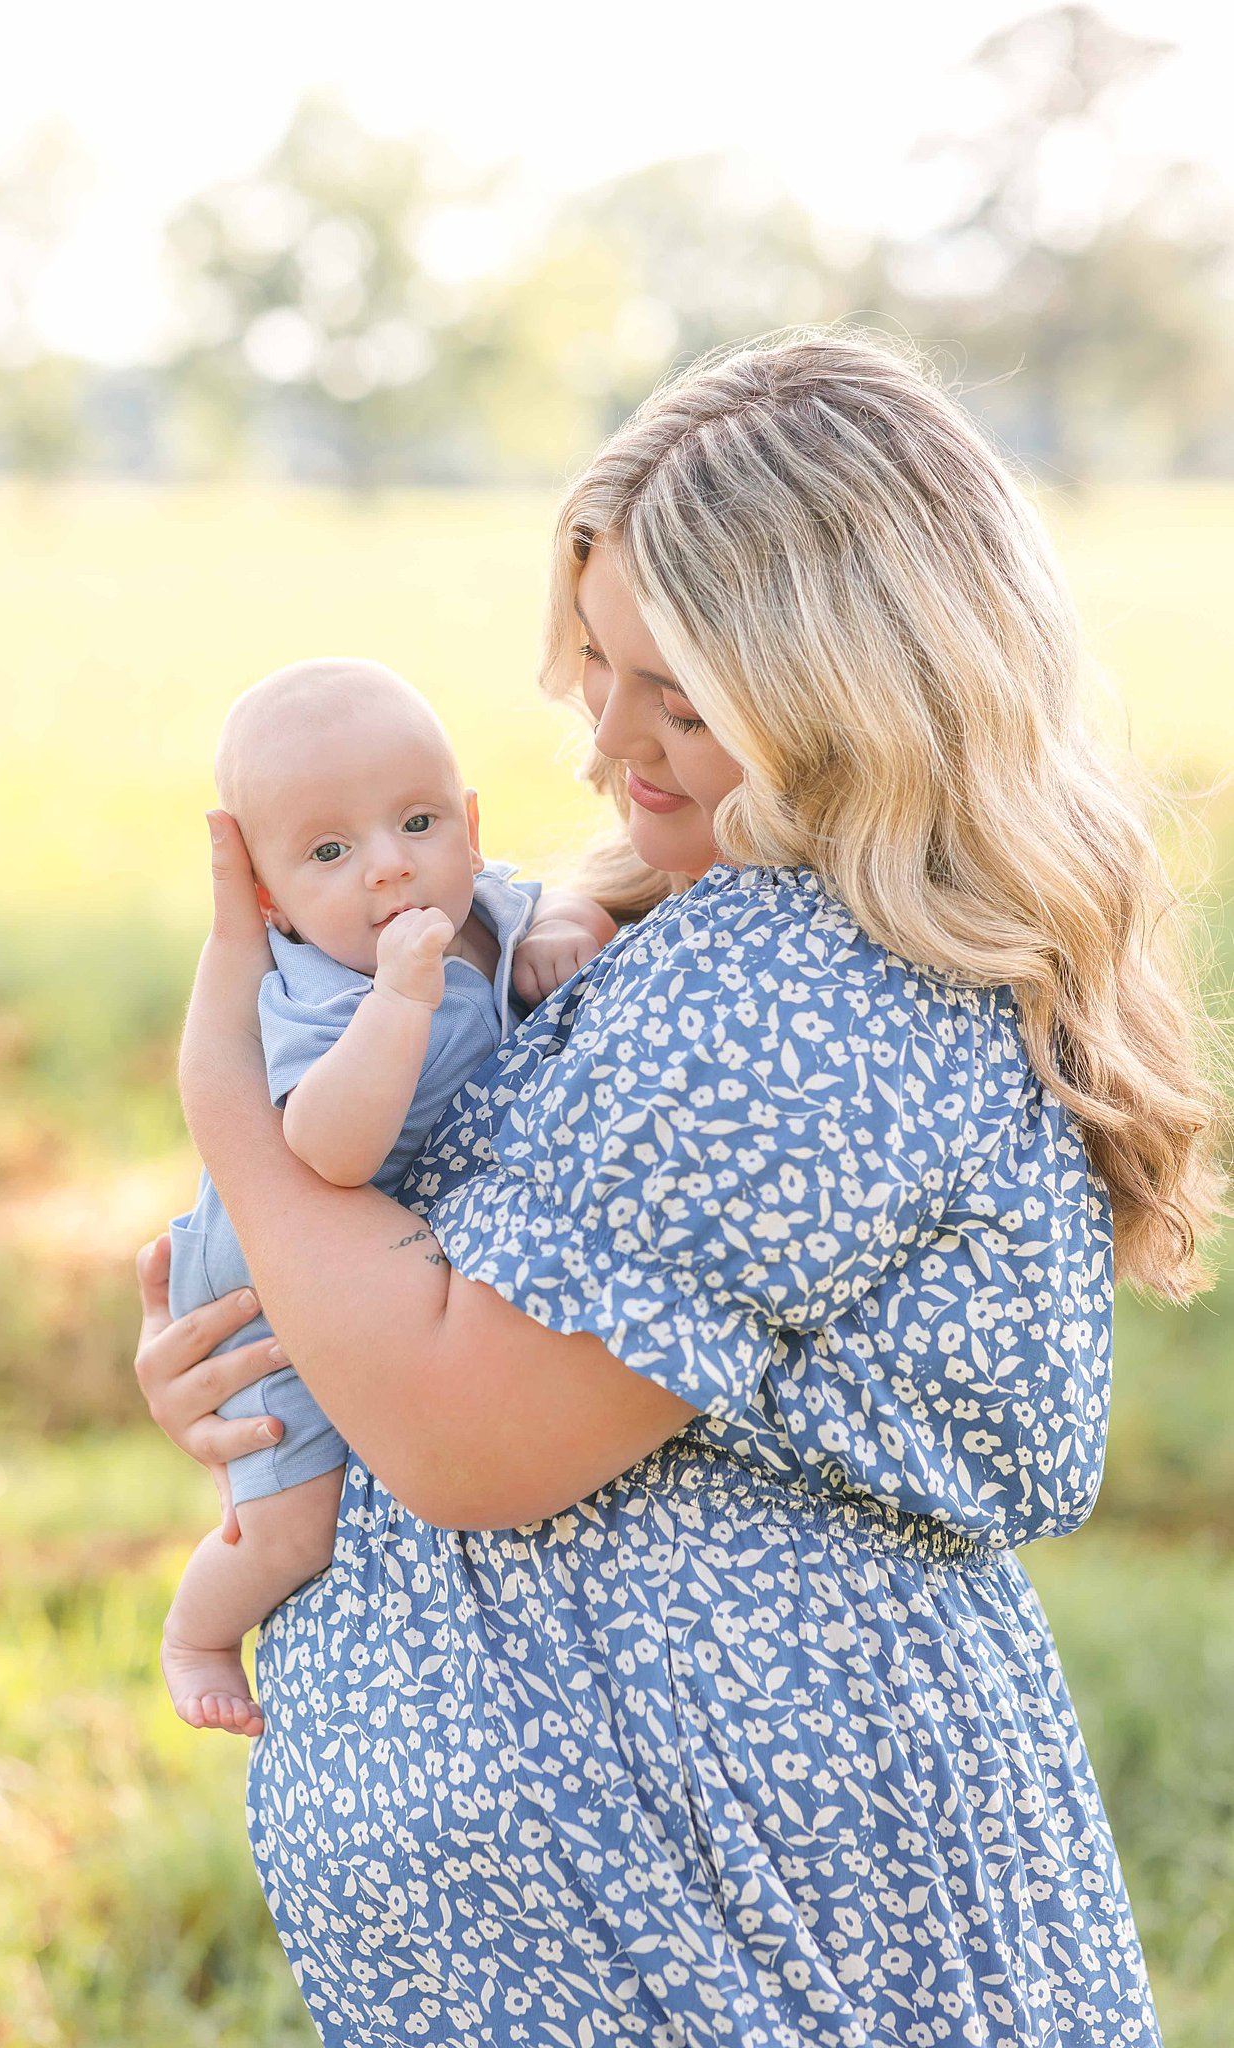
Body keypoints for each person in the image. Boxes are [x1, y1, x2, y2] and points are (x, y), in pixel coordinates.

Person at [134, 328, 1226, 2047]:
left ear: (852, 685)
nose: (607, 746)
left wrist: (236, 1120)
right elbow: (442, 1288)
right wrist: (262, 1356)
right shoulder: (682, 929)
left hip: (742, 1942)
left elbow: (464, 1431)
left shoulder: (809, 991)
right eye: (601, 668)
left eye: (684, 695)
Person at [160, 655, 617, 1735]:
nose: (387, 869)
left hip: (379, 1248)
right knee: (296, 1526)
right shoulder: (320, 988)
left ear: (467, 821)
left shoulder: (491, 904)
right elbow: (328, 1148)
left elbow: (579, 913)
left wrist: (568, 933)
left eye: (417, 822)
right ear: (266, 896)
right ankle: (199, 1630)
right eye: (328, 851)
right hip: (270, 1268)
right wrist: (400, 1002)